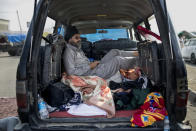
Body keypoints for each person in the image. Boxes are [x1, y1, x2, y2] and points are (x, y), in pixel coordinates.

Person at [63, 26, 139, 79]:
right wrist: (90, 66)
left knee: (114, 52)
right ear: (69, 39)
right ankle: (140, 62)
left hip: (94, 68)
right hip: (91, 73)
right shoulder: (69, 52)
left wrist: (92, 64)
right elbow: (71, 72)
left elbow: (81, 63)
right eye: (76, 38)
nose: (79, 40)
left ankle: (135, 54)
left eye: (79, 37)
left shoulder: (76, 49)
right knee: (117, 60)